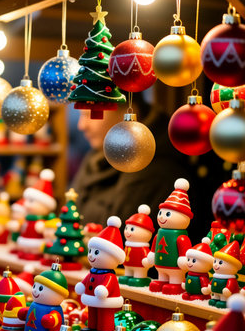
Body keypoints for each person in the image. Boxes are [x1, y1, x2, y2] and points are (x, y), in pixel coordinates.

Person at [71, 94, 229, 241]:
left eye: (92, 114)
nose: (81, 125)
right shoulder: (96, 157)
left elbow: (119, 236)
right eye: (80, 114)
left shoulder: (155, 166)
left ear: (130, 111)